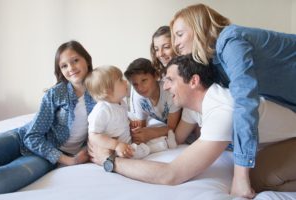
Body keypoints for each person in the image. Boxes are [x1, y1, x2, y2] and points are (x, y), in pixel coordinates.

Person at [89, 54, 296, 197]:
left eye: (170, 80)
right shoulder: (193, 107)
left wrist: (112, 162)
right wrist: (139, 140)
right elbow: (176, 139)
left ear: (194, 81)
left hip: (290, 139)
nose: (166, 86)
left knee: (258, 178)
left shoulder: (221, 109)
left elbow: (171, 174)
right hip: (270, 144)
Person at [170, 3, 296, 198]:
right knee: (262, 178)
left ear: (199, 26)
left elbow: (245, 104)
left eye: (179, 34)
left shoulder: (231, 40)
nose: (175, 44)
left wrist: (240, 175)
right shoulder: (216, 65)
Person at [0, 40, 96, 194]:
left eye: (75, 60)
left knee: (0, 182)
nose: (71, 68)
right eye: (64, 65)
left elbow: (114, 113)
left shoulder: (100, 93)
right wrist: (69, 161)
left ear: (87, 61)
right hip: (21, 137)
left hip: (46, 156)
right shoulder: (56, 94)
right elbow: (32, 136)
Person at [85, 65, 177, 160]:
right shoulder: (102, 110)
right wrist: (116, 145)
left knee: (143, 141)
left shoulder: (121, 102)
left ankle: (164, 141)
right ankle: (162, 145)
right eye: (120, 80)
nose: (125, 81)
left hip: (127, 141)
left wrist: (130, 122)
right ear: (108, 91)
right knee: (137, 152)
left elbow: (119, 118)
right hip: (115, 150)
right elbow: (94, 135)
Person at [124, 58, 181, 145]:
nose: (140, 88)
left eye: (144, 80)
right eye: (135, 84)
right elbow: (142, 125)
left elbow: (172, 127)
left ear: (155, 76)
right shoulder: (138, 96)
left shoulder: (169, 92)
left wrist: (151, 133)